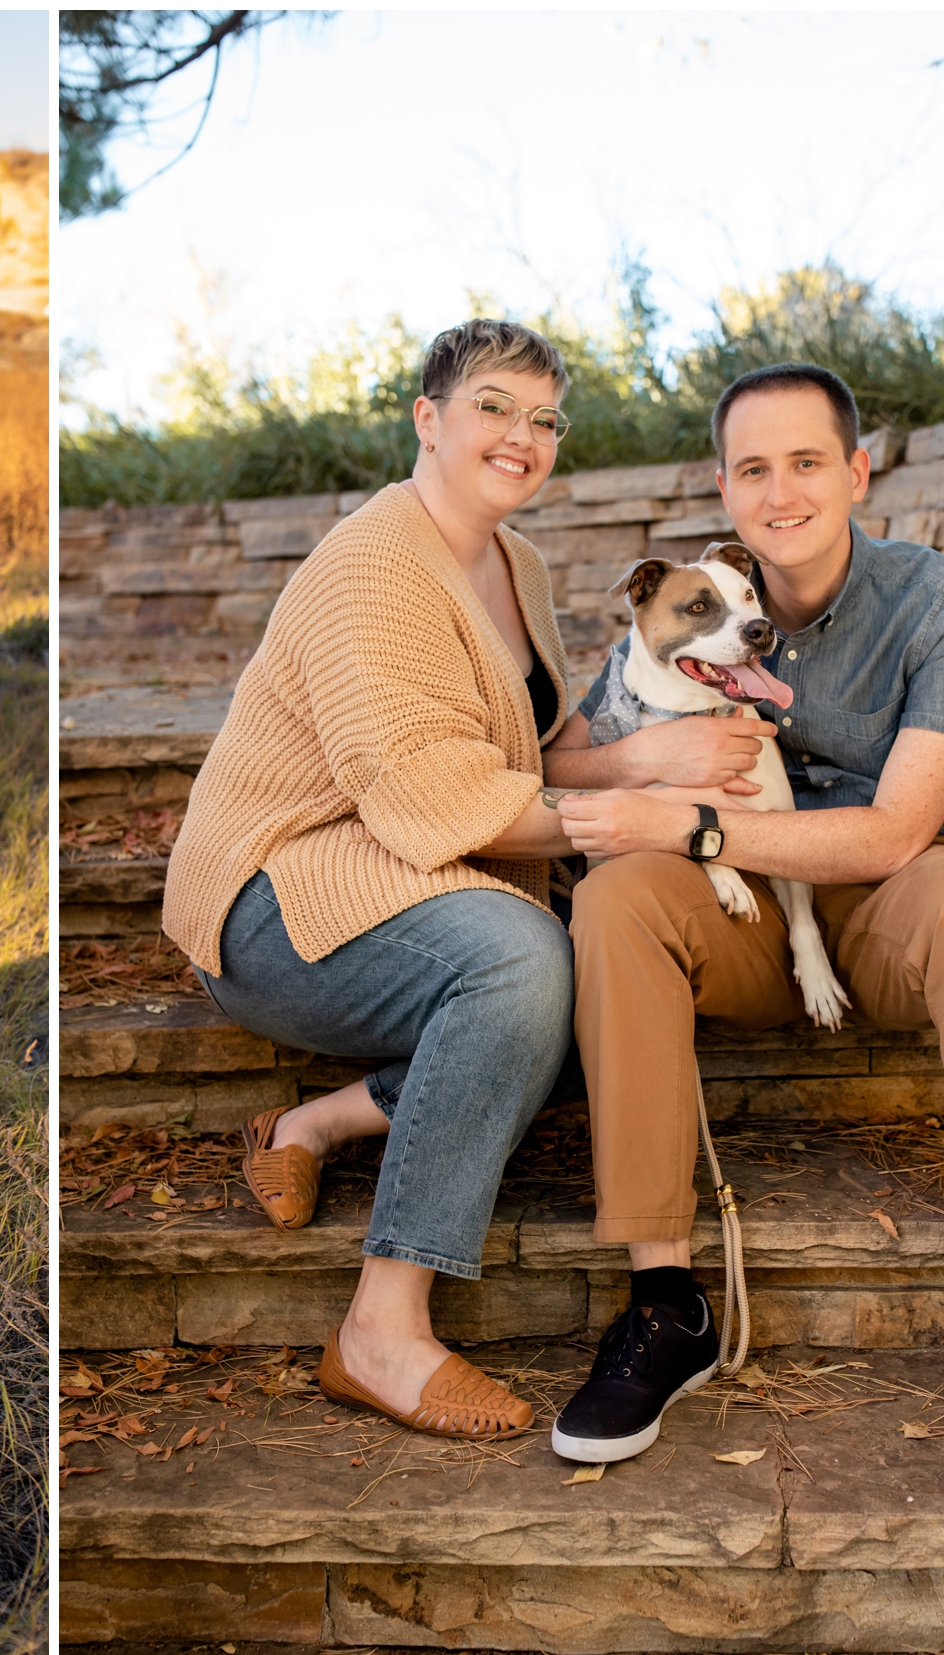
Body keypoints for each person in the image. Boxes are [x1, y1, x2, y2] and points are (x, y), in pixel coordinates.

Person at [546, 362, 944, 1485]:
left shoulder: (940, 605)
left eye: (808, 461)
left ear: (858, 471)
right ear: (724, 487)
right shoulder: (692, 600)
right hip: (739, 920)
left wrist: (700, 831)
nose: (783, 492)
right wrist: (644, 760)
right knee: (619, 895)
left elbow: (893, 833)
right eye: (755, 468)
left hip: (890, 898)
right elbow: (567, 760)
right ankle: (664, 1302)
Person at [163, 320, 612, 1440]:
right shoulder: (372, 561)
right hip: (278, 892)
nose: (523, 435)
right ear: (428, 418)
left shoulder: (521, 566)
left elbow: (535, 748)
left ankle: (310, 1125)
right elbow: (424, 793)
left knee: (596, 990)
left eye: (545, 418)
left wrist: (670, 760)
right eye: (495, 407)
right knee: (522, 967)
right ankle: (381, 1328)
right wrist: (639, 816)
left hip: (400, 872)